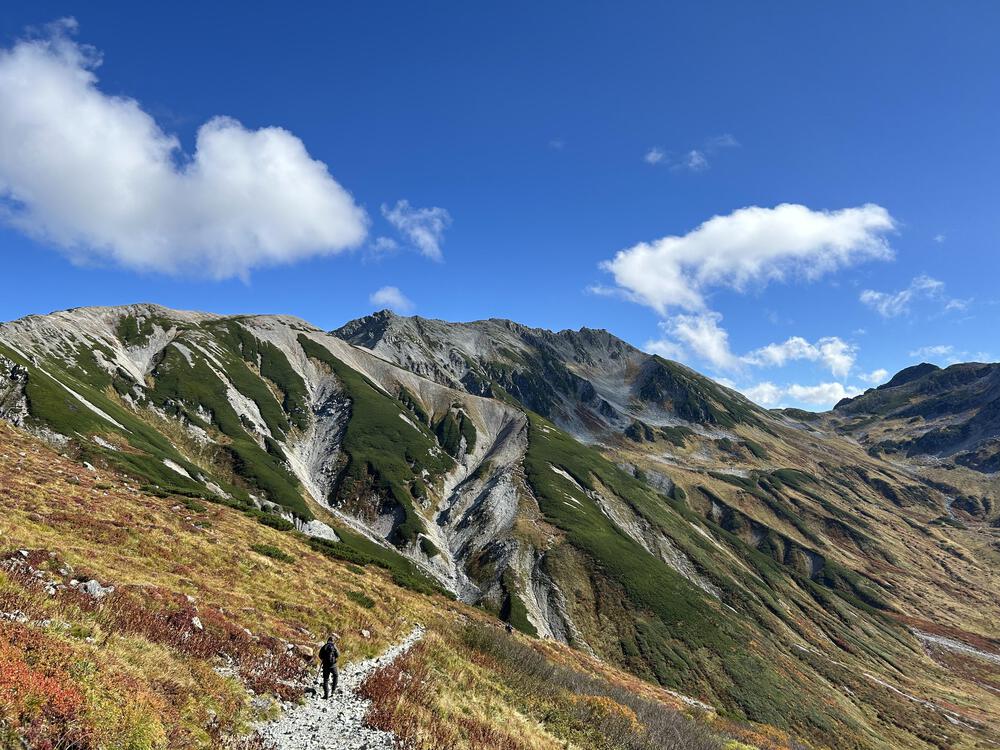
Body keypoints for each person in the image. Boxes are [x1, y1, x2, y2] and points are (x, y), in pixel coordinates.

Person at [319, 634, 340, 699]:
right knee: (335, 676)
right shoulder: (334, 646)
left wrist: (324, 659)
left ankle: (326, 695)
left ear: (327, 640)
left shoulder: (324, 647)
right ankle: (333, 691)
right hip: (333, 665)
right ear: (333, 641)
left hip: (325, 666)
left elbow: (320, 655)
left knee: (326, 679)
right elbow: (338, 655)